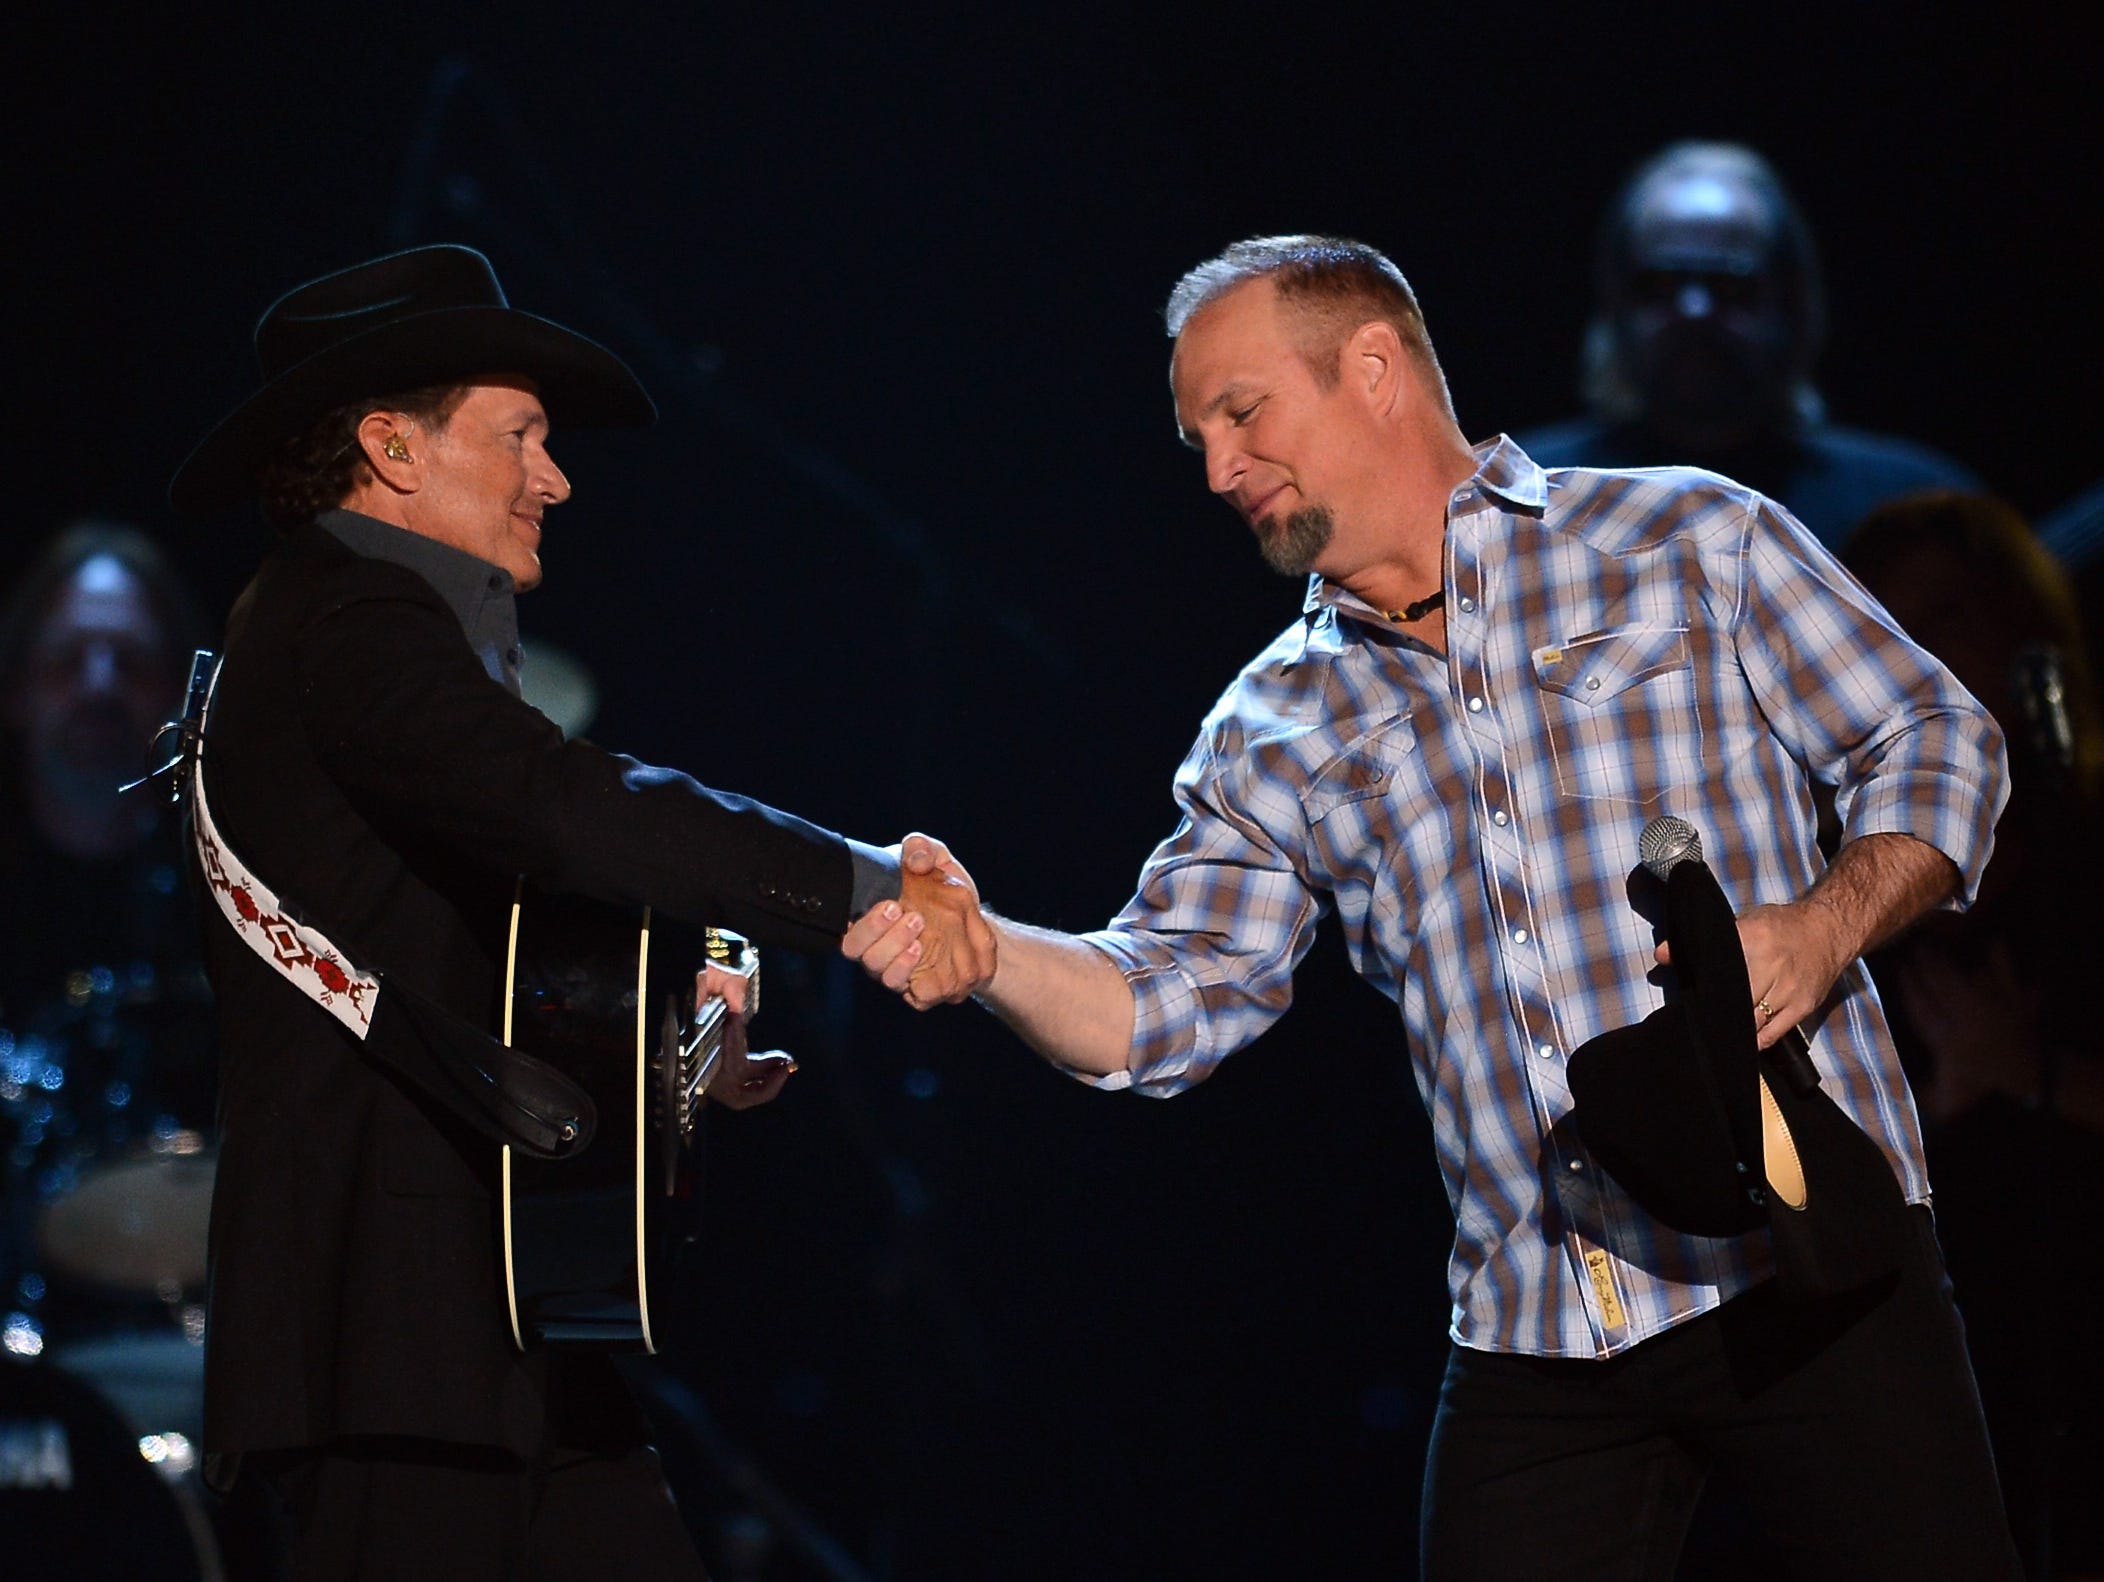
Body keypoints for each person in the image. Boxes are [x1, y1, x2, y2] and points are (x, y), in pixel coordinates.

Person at [848, 236, 2022, 1578]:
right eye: (1198, 441)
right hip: (1542, 1321)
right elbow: (1162, 1000)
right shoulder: (1270, 722)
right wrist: (989, 952)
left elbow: (1937, 736)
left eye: (1243, 413)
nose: (1221, 470)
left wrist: (1822, 926)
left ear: (1372, 367)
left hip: (1802, 1250)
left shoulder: (1687, 536)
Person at [165, 243, 993, 1581]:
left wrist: (690, 999)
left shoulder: (376, 627)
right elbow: (566, 808)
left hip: (496, 1318)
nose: (553, 478)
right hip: (392, 1338)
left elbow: (524, 913)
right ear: (391, 446)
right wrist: (863, 882)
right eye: (521, 436)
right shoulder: (349, 613)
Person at [1517, 141, 1980, 550]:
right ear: (1614, 303)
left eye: (1730, 284)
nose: (1694, 310)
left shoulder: (1912, 512)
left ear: (1791, 304)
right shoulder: (1524, 499)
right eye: (1660, 284)